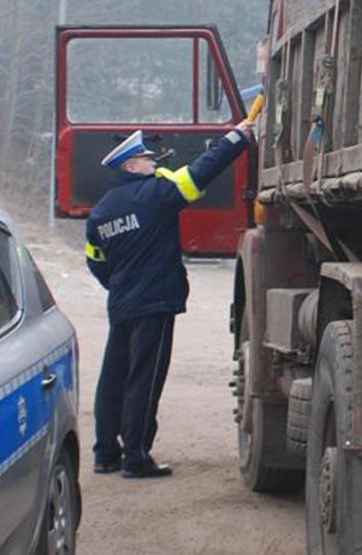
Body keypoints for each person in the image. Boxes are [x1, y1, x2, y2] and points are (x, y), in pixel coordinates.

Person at [85, 122, 254, 478]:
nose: (152, 162)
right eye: (146, 159)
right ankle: (136, 457)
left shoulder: (100, 212)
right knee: (145, 378)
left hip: (122, 301)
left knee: (114, 376)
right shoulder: (155, 194)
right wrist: (237, 138)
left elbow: (95, 262)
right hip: (155, 301)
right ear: (131, 166)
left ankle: (106, 454)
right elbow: (201, 172)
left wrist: (119, 286)